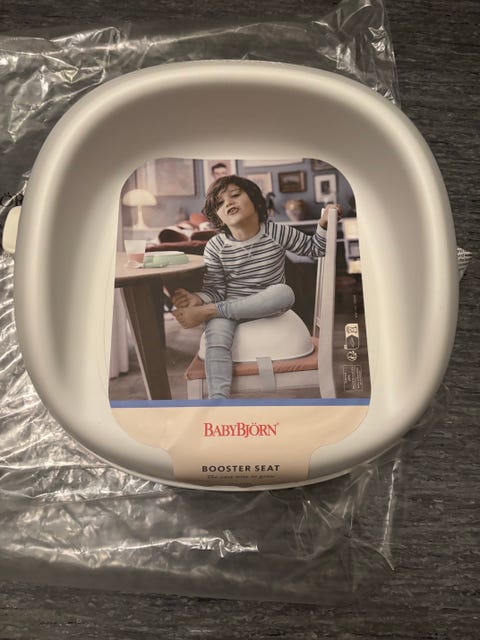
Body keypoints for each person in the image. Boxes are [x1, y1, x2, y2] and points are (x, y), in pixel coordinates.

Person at [172, 175, 340, 399]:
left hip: (267, 305)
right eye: (220, 203)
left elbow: (315, 249)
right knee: (216, 340)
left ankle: (210, 311)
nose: (228, 203)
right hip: (227, 309)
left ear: (254, 200)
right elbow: (216, 290)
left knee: (284, 292)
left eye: (235, 195)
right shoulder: (215, 246)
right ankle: (218, 400)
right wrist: (198, 298)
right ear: (217, 217)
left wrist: (324, 224)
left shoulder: (276, 232)